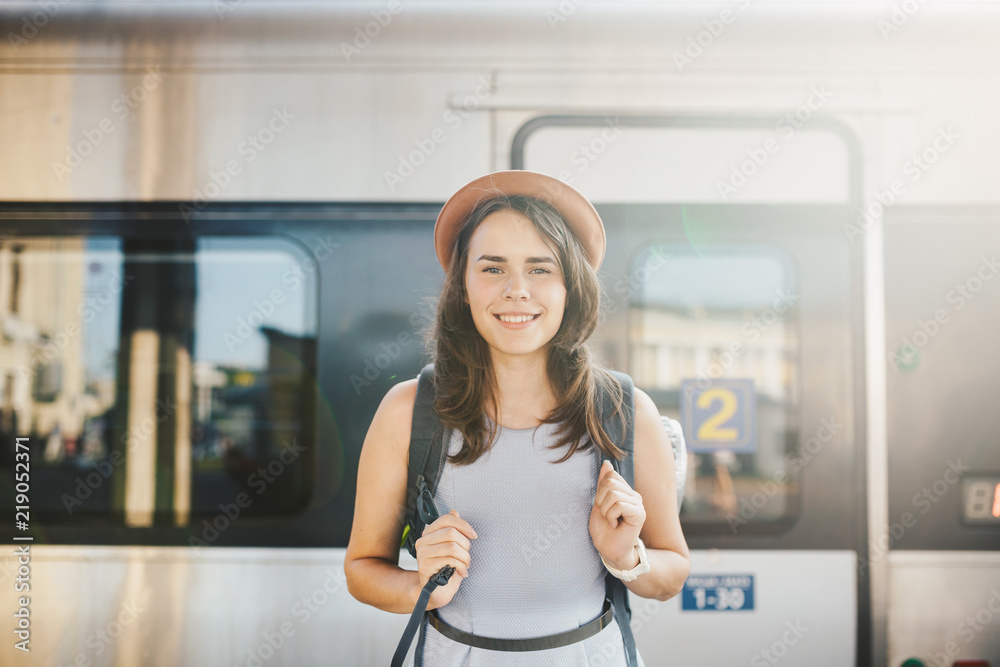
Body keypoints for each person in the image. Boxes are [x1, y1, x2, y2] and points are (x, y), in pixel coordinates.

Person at [344, 171, 690, 666]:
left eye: (540, 269)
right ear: (463, 286)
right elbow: (361, 570)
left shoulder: (623, 410)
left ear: (570, 285)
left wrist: (626, 558)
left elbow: (672, 572)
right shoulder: (408, 411)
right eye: (492, 269)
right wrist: (423, 587)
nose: (516, 291)